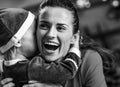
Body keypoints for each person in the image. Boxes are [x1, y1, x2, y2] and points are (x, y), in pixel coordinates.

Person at [1, 0, 107, 86]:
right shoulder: (25, 62)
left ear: (74, 37)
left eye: (60, 28)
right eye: (43, 26)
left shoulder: (88, 58)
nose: (50, 34)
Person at [0, 8, 81, 87]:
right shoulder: (30, 68)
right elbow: (67, 71)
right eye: (35, 33)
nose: (40, 37)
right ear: (17, 41)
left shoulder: (5, 68)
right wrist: (75, 49)